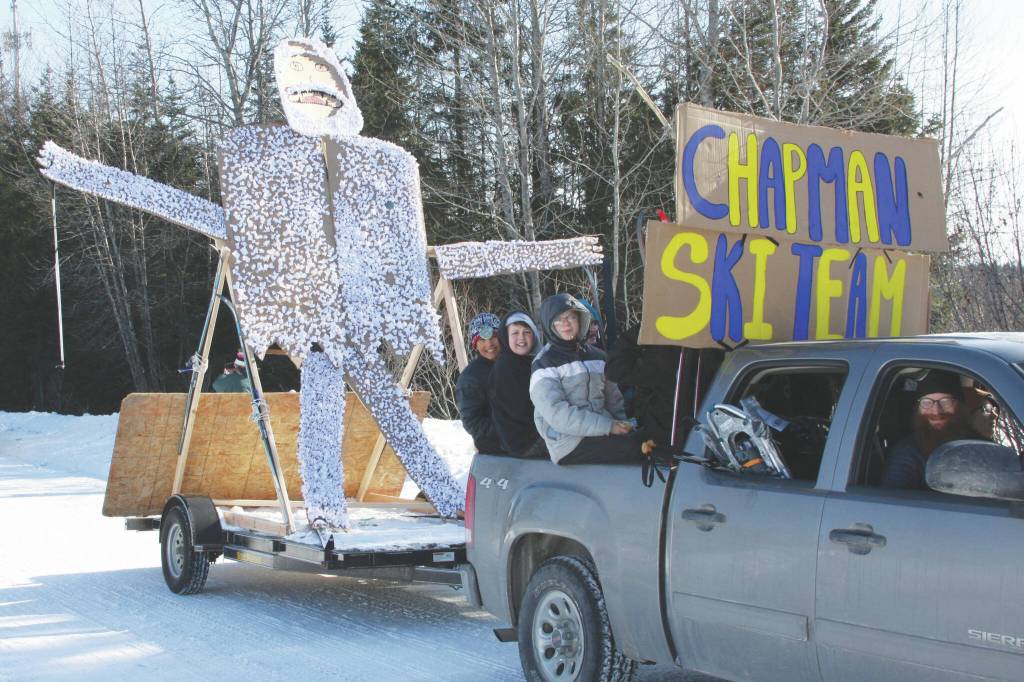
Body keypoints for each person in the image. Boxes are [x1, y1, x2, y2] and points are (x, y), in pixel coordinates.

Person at [530, 293, 643, 464]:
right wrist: (608, 427)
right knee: (634, 449)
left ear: (581, 320)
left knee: (645, 440)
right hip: (569, 442)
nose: (566, 323)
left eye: (571, 317)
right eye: (558, 320)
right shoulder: (544, 363)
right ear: (549, 324)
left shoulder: (597, 356)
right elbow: (558, 415)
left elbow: (614, 399)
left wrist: (622, 425)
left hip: (601, 433)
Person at [606, 324, 724, 446]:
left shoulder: (661, 350)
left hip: (666, 437)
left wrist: (647, 326)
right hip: (708, 436)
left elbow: (615, 369)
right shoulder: (719, 337)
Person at [881, 370, 967, 490]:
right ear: (918, 408)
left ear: (959, 405)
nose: (936, 411)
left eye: (945, 401)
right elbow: (892, 504)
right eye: (927, 402)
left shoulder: (975, 443)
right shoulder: (907, 455)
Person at [488, 311, 547, 458]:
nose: (521, 337)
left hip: (536, 432)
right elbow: (521, 411)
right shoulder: (506, 367)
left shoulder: (533, 362)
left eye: (526, 332)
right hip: (524, 442)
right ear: (505, 337)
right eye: (515, 333)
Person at [456, 312, 505, 454]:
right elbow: (473, 423)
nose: (489, 343)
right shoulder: (469, 378)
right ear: (475, 345)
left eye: (493, 337)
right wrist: (509, 428)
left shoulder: (515, 364)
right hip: (495, 450)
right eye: (482, 340)